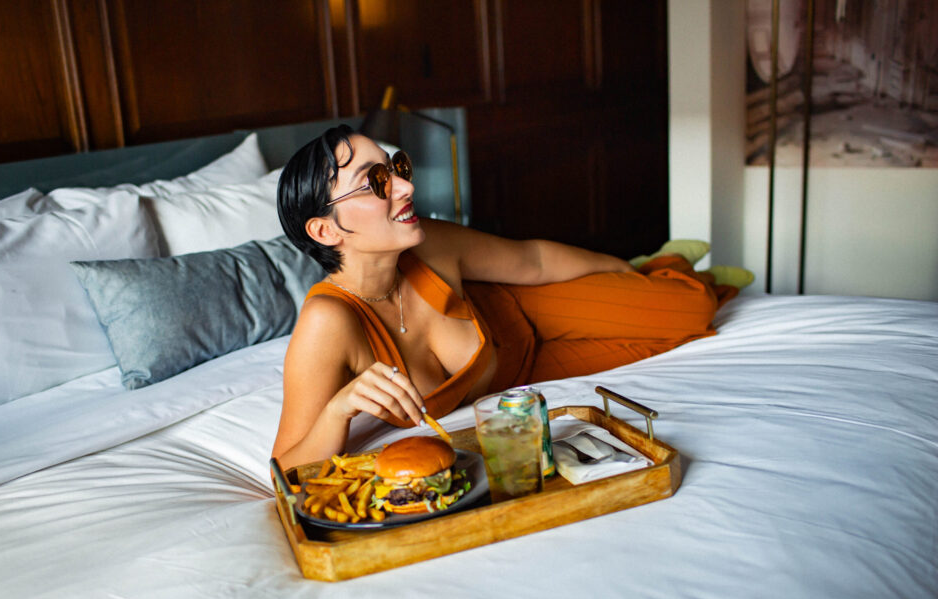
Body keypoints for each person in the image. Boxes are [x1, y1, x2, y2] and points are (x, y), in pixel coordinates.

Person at [272, 125, 748, 469]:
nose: (406, 186)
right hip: (521, 373)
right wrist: (338, 410)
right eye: (376, 181)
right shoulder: (328, 322)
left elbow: (532, 261)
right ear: (325, 229)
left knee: (693, 308)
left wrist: (624, 271)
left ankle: (660, 265)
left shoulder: (428, 243)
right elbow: (285, 469)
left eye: (396, 167)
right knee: (666, 344)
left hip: (521, 308)